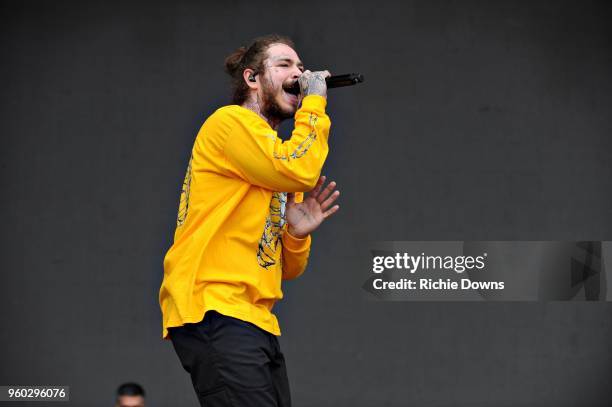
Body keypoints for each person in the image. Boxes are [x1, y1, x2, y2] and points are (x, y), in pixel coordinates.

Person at [159, 34, 339, 407]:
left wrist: (294, 233)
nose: (300, 74)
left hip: (255, 320)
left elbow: (287, 268)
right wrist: (316, 103)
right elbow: (301, 168)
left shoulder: (269, 156)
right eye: (285, 65)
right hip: (215, 307)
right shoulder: (231, 123)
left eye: (302, 68)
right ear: (252, 79)